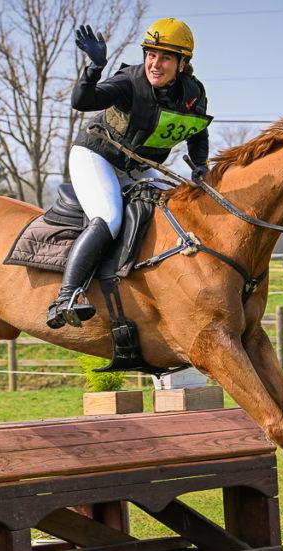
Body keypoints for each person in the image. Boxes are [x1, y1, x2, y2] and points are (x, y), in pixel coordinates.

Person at [46, 17, 212, 329]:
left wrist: (200, 165)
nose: (155, 63)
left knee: (171, 211)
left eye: (164, 57)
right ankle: (66, 297)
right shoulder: (129, 82)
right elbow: (82, 101)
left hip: (137, 169)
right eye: (150, 54)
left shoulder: (193, 93)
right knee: (109, 218)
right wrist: (94, 69)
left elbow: (197, 133)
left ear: (182, 62)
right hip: (96, 157)